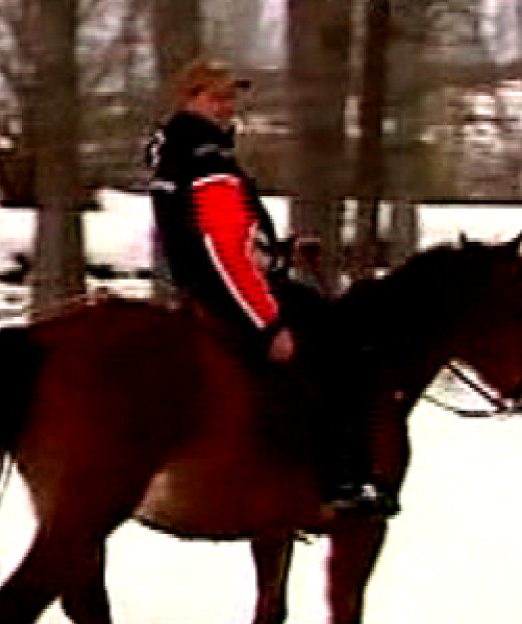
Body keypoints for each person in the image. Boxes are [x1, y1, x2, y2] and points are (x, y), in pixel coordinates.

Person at [146, 59, 397, 518]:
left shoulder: (180, 147)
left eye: (230, 96)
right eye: (216, 96)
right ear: (190, 98)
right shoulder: (205, 154)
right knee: (344, 350)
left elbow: (215, 236)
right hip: (228, 288)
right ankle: (341, 478)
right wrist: (268, 323)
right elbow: (222, 249)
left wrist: (277, 250)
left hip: (211, 281)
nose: (227, 106)